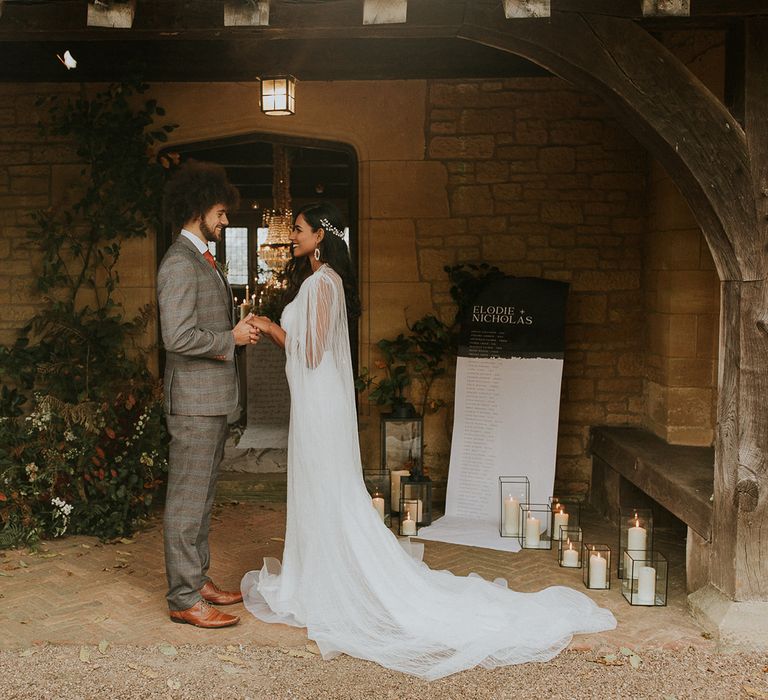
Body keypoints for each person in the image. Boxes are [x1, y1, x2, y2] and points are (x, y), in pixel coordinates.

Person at [241, 202, 616, 679]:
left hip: (319, 406)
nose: (292, 236)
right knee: (329, 491)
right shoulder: (328, 282)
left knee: (325, 490)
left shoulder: (319, 284)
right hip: (323, 405)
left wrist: (269, 325)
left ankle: (325, 582)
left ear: (320, 236)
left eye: (298, 229)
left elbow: (311, 353)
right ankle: (323, 574)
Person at [157, 160, 260, 628]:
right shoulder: (179, 262)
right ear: (199, 208)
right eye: (220, 212)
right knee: (186, 500)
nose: (225, 220)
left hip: (210, 401)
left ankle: (197, 580)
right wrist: (229, 340)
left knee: (202, 498)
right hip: (194, 405)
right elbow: (176, 337)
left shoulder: (201, 258)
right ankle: (182, 598)